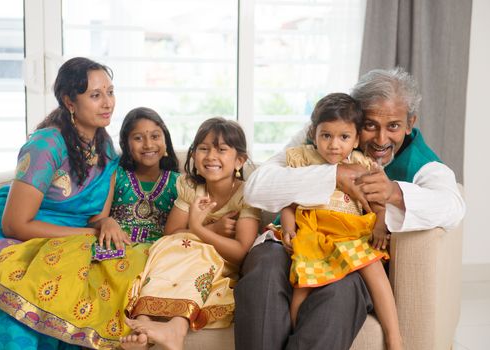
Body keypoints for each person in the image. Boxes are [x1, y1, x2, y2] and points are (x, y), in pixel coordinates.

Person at [235, 67, 465, 350]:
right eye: (370, 125)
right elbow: (258, 186)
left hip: (350, 255)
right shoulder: (322, 136)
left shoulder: (423, 163)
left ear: (409, 123)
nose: (381, 140)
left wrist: (394, 193)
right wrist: (335, 176)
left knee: (340, 292)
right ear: (355, 120)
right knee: (266, 272)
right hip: (292, 241)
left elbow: (453, 207)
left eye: (393, 126)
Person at [0, 57, 179, 348]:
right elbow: (15, 224)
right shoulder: (45, 145)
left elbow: (93, 211)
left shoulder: (101, 142)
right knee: (22, 284)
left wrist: (104, 221)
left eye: (110, 92)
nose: (108, 103)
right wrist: (91, 233)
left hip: (72, 232)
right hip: (20, 231)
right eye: (95, 95)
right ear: (69, 101)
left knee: (124, 260)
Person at [120, 117, 261, 350]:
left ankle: (176, 328)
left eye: (221, 150)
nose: (211, 157)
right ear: (194, 155)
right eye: (203, 149)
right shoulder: (191, 187)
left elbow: (240, 253)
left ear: (239, 160)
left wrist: (197, 228)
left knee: (196, 252)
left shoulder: (247, 194)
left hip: (220, 264)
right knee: (169, 248)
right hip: (182, 254)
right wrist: (211, 229)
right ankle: (144, 324)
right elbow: (171, 235)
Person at [279, 93, 400, 349]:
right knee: (302, 282)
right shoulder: (303, 159)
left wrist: (380, 225)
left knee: (374, 269)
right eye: (326, 136)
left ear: (356, 139)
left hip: (352, 232)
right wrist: (289, 228)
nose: (334, 145)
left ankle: (394, 336)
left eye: (344, 137)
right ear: (314, 133)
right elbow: (287, 200)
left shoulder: (362, 165)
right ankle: (293, 334)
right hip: (314, 230)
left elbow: (379, 205)